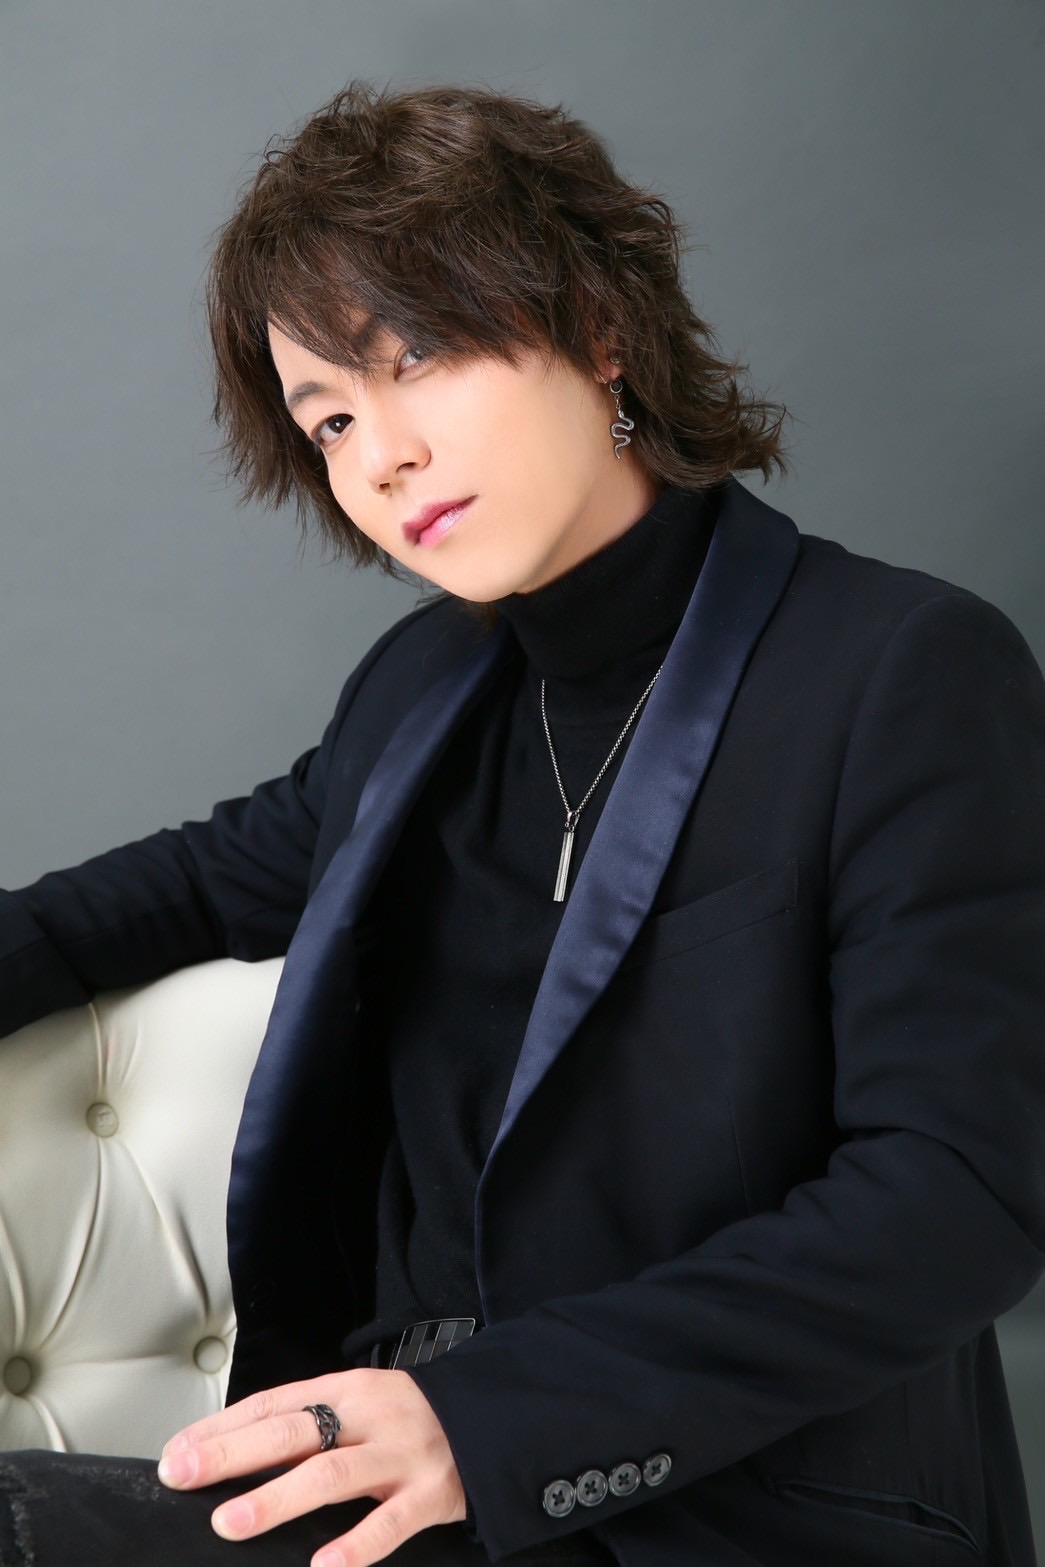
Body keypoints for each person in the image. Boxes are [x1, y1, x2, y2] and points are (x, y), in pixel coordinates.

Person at [1, 78, 1044, 1567]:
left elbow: (953, 1195)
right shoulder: (416, 695)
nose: (379, 456)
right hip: (384, 1477)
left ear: (598, 328)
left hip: (721, 1500)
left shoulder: (897, 668)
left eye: (416, 358)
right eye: (330, 418)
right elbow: (168, 891)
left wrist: (486, 1422)